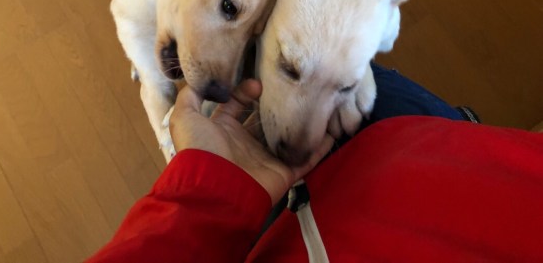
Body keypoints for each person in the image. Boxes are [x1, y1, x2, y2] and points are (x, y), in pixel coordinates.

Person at [86, 65, 543, 262]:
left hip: (284, 220)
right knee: (357, 79)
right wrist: (208, 194)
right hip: (436, 147)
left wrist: (209, 191)